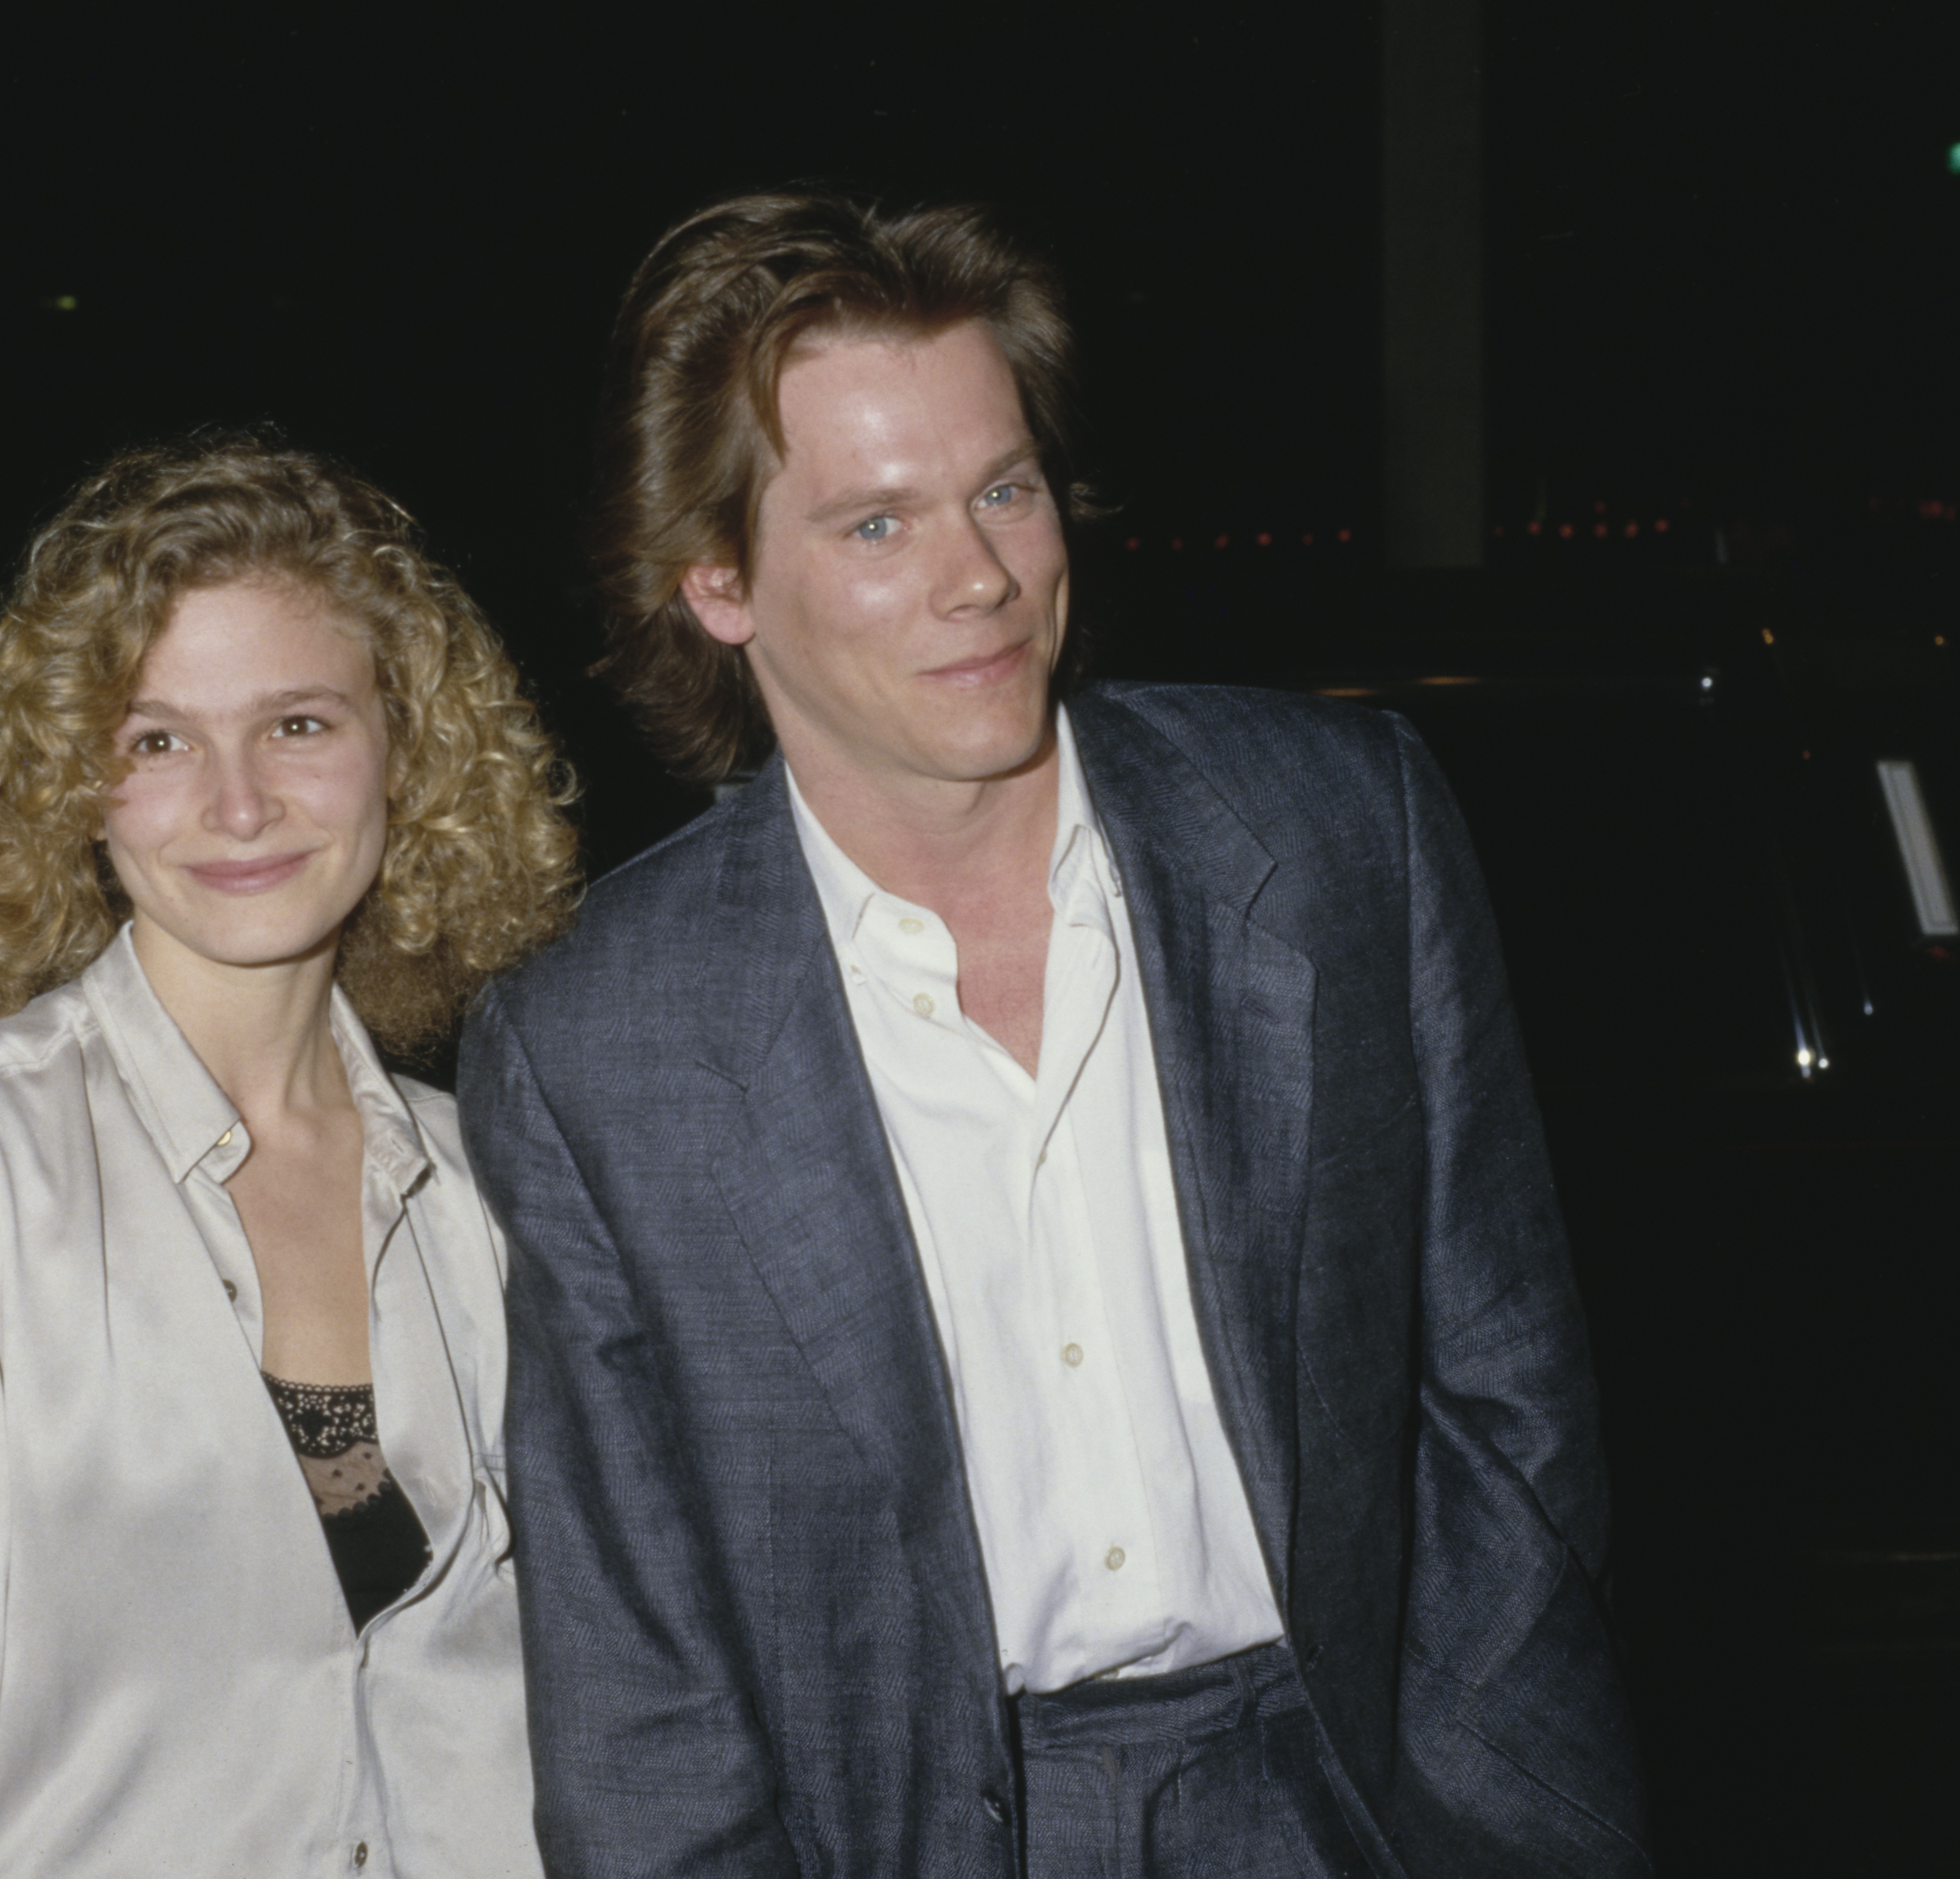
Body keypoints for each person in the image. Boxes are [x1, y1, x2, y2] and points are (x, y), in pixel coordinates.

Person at [457, 192, 1650, 1876]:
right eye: (876, 526)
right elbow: (640, 1682)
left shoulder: (1330, 831)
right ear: (715, 582)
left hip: (1369, 1798)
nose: (981, 577)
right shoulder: (597, 1039)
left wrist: (1491, 1797)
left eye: (1002, 487)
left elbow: (1511, 1392)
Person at [0, 433, 576, 1877]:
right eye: (157, 738)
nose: (238, 801)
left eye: (299, 723)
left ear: (408, 751)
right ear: (75, 786)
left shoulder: (486, 1184)